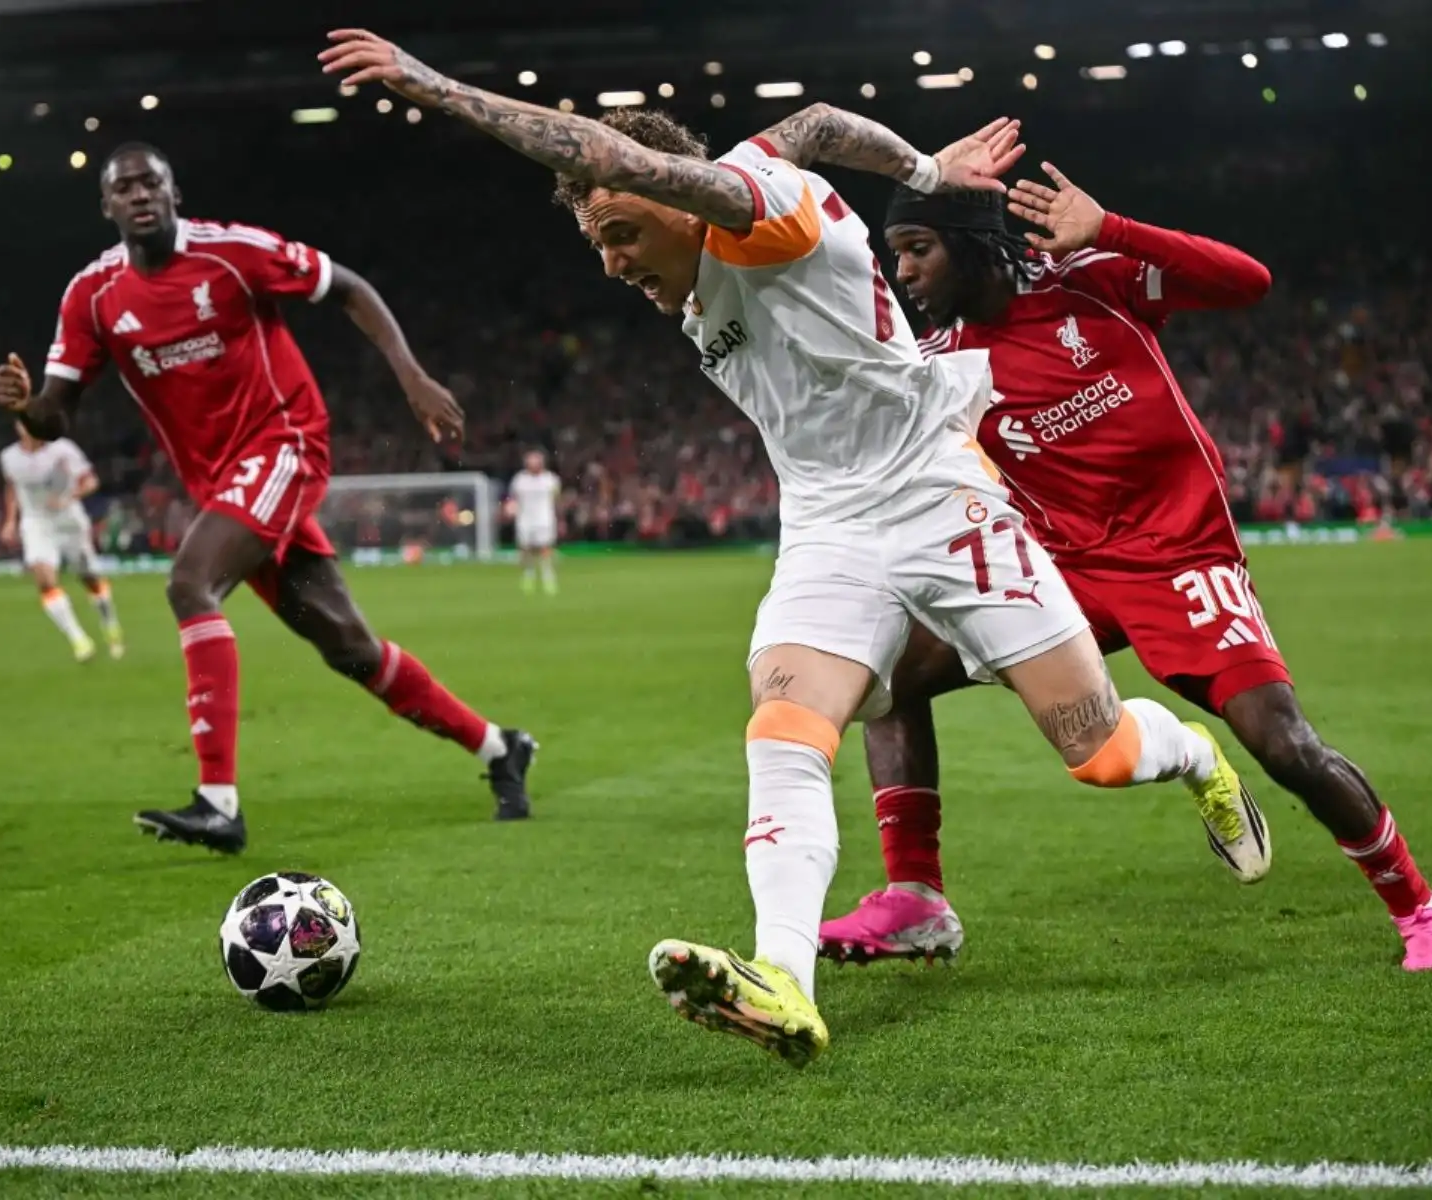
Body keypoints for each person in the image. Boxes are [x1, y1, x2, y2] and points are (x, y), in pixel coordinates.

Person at [322, 30, 1268, 1067]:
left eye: (625, 233)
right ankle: (783, 979)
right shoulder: (723, 221)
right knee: (784, 725)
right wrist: (921, 170)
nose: (613, 263)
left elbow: (650, 157)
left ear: (682, 197)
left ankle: (1197, 759)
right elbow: (813, 125)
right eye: (598, 245)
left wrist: (432, 86)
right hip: (827, 524)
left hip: (940, 499)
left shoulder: (753, 215)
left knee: (1101, 753)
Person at [819, 175, 1432, 972]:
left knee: (1286, 745)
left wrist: (1111, 228)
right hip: (1060, 573)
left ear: (975, 245)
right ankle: (916, 897)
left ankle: (1421, 907)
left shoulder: (1095, 283)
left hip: (1181, 555)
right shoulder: (938, 365)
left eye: (918, 249)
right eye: (895, 256)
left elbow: (1246, 281)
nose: (905, 273)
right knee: (886, 673)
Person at [0, 143, 538, 853]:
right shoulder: (91, 296)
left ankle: (218, 803)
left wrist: (412, 376)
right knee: (349, 646)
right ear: (106, 206)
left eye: (150, 182)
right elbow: (56, 412)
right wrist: (26, 407)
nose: (139, 195)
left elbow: (347, 287)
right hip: (222, 481)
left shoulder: (231, 253)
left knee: (190, 584)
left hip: (286, 442)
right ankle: (499, 747)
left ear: (173, 190)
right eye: (123, 188)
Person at [0, 420, 125, 662]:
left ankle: (110, 622)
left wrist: (69, 496)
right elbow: (12, 487)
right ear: (18, 427)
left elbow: (90, 482)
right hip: (36, 522)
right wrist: (10, 520)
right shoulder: (9, 457)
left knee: (89, 577)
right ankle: (79, 640)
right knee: (45, 580)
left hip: (69, 521)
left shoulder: (63, 450)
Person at [509, 449, 562, 594]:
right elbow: (513, 499)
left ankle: (548, 576)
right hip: (525, 519)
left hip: (544, 519)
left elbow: (557, 500)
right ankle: (529, 575)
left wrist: (560, 519)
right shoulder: (519, 479)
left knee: (545, 548)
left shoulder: (551, 479)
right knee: (526, 549)